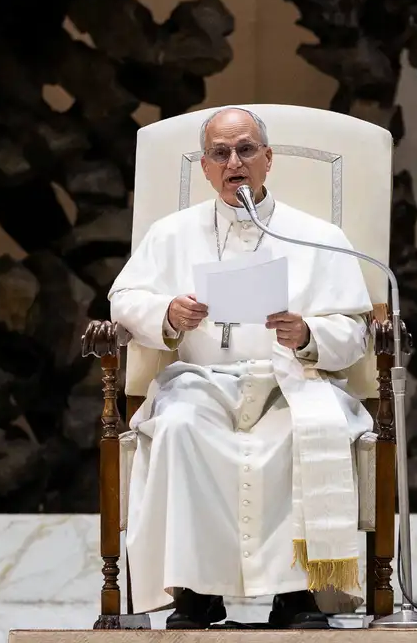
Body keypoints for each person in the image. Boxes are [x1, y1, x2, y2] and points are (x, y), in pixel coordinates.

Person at [108, 107, 374, 629]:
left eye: (246, 150)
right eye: (220, 153)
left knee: (302, 431)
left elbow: (355, 330)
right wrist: (168, 313)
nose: (234, 162)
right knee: (179, 427)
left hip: (288, 383)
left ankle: (298, 595)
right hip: (200, 384)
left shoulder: (316, 236)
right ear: (206, 167)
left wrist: (307, 335)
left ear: (268, 159)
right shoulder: (171, 234)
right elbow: (124, 300)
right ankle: (194, 594)